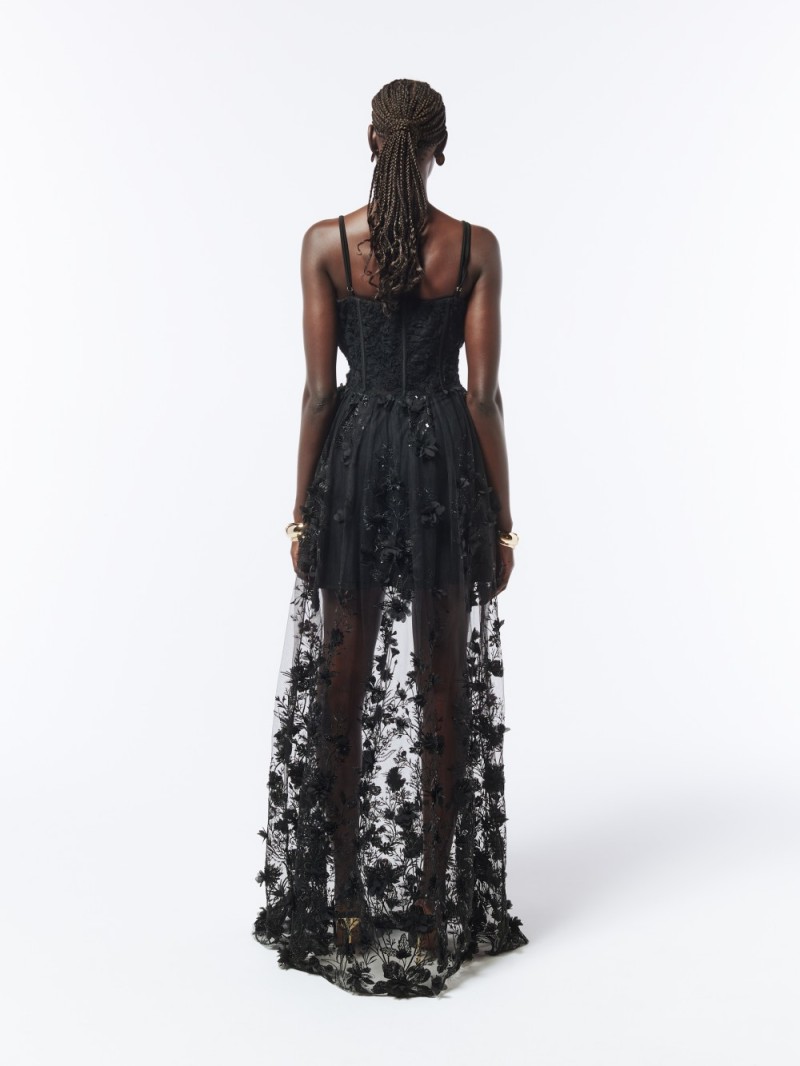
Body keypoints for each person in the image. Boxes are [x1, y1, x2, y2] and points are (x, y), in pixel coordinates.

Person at [253, 78, 528, 998]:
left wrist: (302, 509)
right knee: (442, 681)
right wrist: (503, 519)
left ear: (372, 140)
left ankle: (342, 901)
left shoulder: (327, 245)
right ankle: (438, 906)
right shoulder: (475, 249)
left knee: (341, 681)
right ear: (440, 147)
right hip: (444, 469)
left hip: (357, 462)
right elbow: (483, 397)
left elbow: (318, 393)